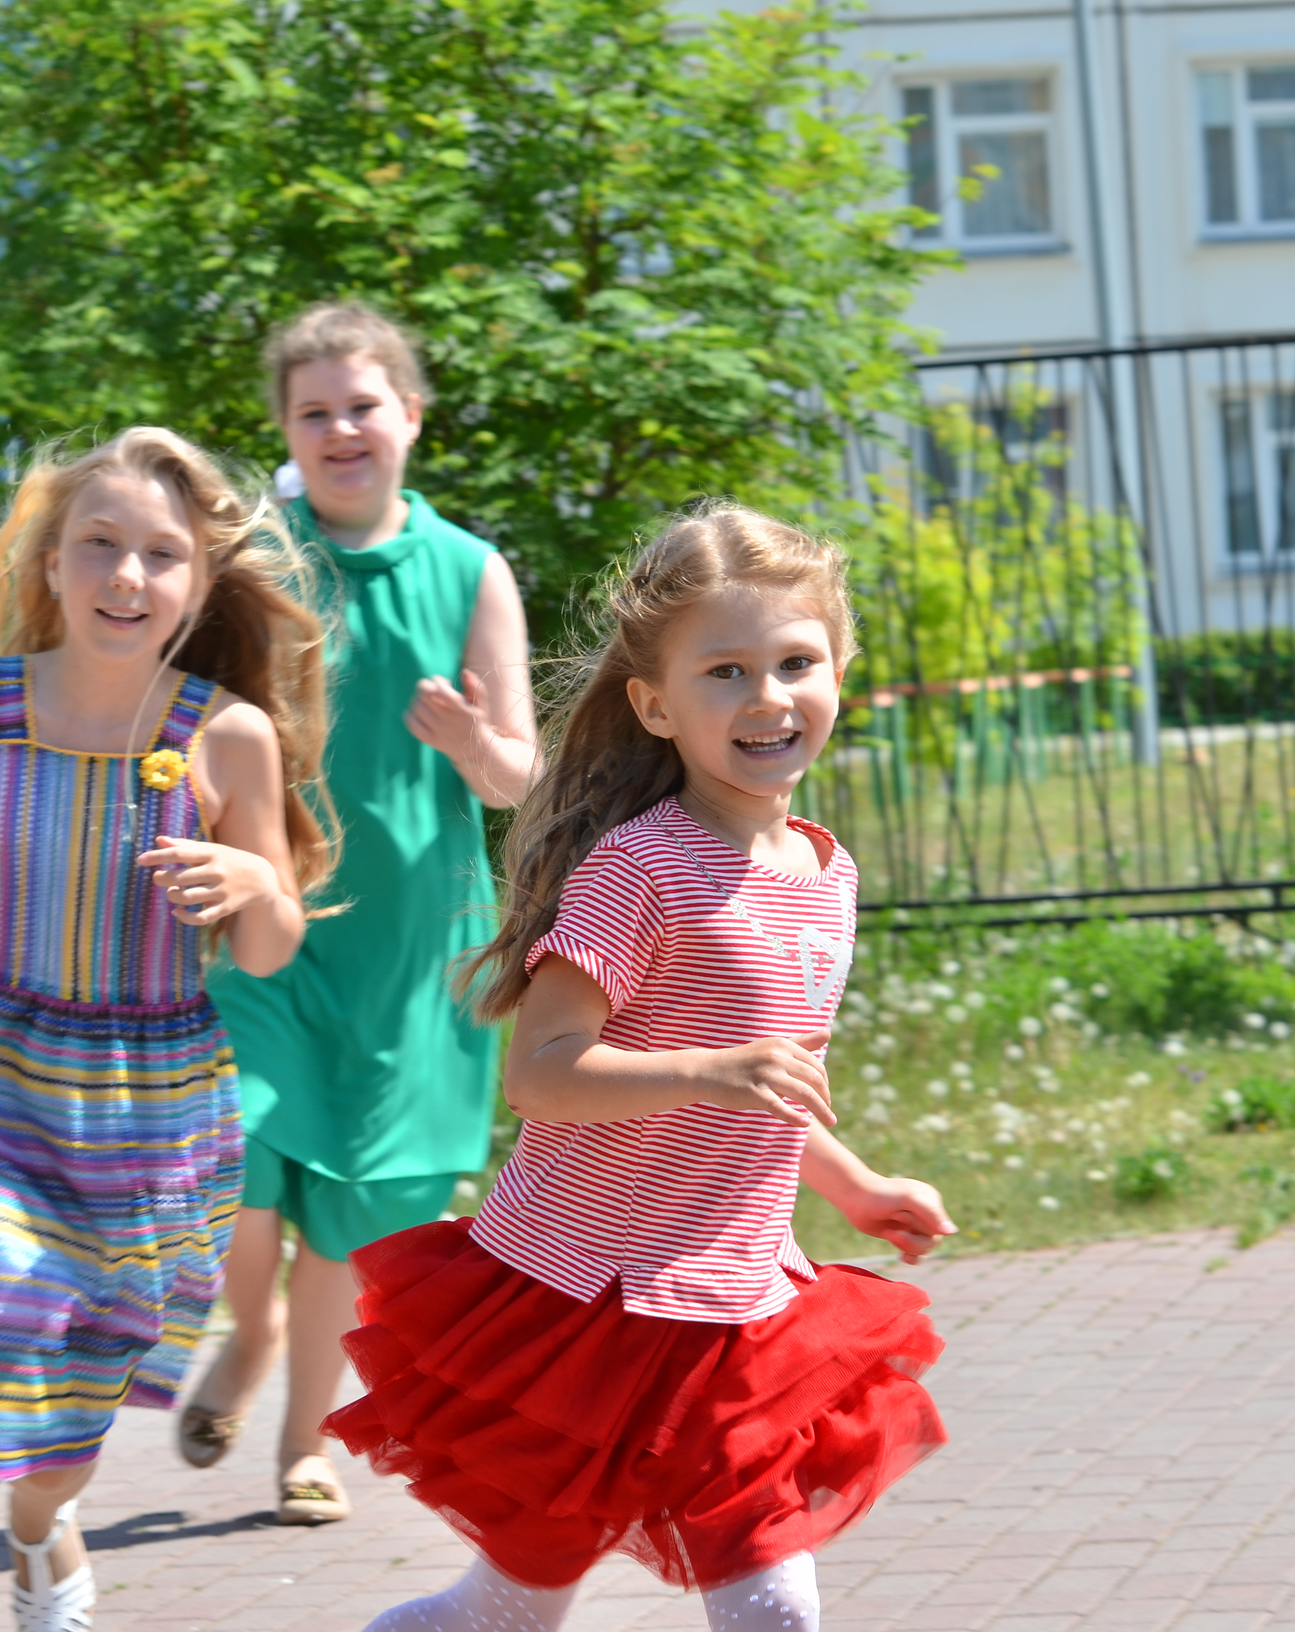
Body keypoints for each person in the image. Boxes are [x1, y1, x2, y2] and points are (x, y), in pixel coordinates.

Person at [327, 502, 956, 1632]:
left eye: (794, 662)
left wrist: (854, 1186)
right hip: (587, 1301)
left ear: (839, 673)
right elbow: (543, 1074)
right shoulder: (640, 868)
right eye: (725, 672)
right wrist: (707, 1071)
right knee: (508, 1614)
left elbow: (768, 1092)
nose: (766, 698)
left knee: (775, 1612)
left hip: (738, 1309)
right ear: (657, 705)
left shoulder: (824, 874)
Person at [0, 428, 333, 1632]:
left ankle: (43, 1528)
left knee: (65, 1423)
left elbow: (269, 943)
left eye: (161, 554)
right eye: (98, 544)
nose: (126, 575)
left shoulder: (226, 737)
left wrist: (258, 889)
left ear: (196, 586)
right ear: (49, 563)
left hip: (145, 1108)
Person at [178, 303, 538, 1525]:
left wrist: (476, 741)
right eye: (312, 411)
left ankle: (300, 1446)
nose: (340, 429)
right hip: (270, 920)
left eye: (362, 405)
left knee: (351, 1214)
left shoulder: (470, 570)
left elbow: (522, 782)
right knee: (235, 1151)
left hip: (413, 948)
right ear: (285, 429)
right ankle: (249, 1331)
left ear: (411, 417)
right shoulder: (257, 564)